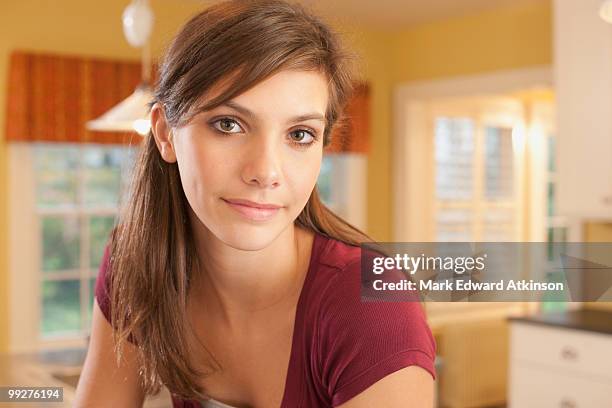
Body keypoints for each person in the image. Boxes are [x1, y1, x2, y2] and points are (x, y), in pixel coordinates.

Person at [74, 0, 436, 407]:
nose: (266, 171)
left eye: (299, 134)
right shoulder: (135, 263)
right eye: (228, 124)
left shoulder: (373, 307)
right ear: (165, 134)